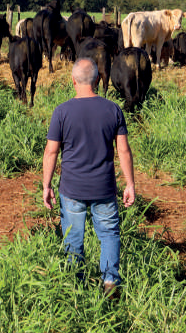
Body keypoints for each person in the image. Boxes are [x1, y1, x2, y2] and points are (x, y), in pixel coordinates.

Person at [42, 58, 135, 293]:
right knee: (109, 234)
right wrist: (130, 183)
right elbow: (123, 149)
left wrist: (46, 185)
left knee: (73, 238)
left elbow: (51, 151)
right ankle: (110, 281)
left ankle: (76, 286)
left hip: (72, 189)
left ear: (72, 80)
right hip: (104, 188)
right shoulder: (113, 109)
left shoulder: (62, 111)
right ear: (97, 80)